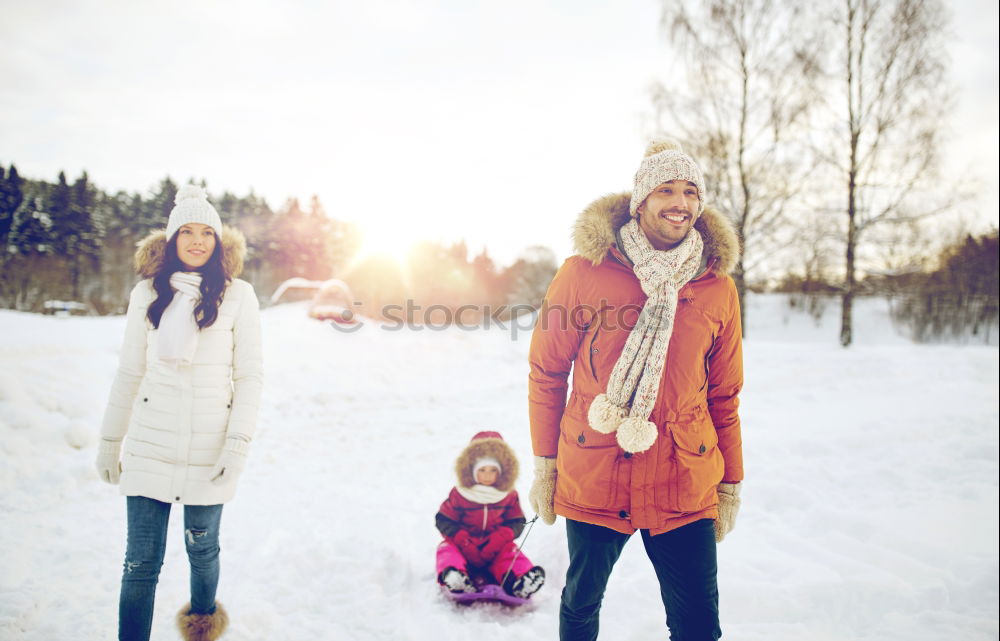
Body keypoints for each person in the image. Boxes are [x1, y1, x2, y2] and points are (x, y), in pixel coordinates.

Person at [527, 139, 743, 640]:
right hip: (596, 469)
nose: (680, 202)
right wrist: (545, 466)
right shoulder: (585, 272)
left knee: (698, 625)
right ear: (640, 201)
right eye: (666, 189)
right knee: (580, 605)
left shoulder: (716, 287)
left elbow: (725, 396)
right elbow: (547, 373)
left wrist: (730, 483)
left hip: (684, 477)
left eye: (690, 191)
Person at [95, 184, 263, 641]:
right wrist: (111, 440)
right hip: (151, 443)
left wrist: (237, 442)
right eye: (185, 231)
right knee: (140, 562)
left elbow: (249, 377)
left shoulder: (239, 296)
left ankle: (203, 623)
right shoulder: (146, 294)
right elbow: (130, 373)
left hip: (212, 446)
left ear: (218, 240)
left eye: (206, 232)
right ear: (170, 240)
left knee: (203, 550)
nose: (196, 241)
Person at [435, 431, 546, 599]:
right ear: (472, 469)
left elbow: (516, 521)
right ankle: (455, 576)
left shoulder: (508, 494)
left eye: (493, 470)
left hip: (494, 547)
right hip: (464, 546)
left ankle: (520, 581)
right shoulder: (460, 493)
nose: (487, 475)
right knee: (446, 549)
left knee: (510, 553)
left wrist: (501, 537)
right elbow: (444, 519)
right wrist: (462, 539)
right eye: (482, 470)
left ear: (501, 471)